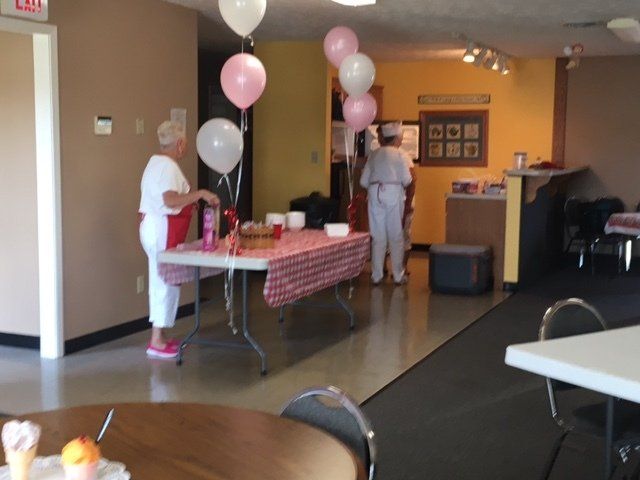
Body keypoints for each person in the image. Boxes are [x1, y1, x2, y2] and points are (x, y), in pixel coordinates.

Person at [139, 121, 219, 358]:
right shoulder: (167, 167)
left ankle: (160, 335)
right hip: (161, 227)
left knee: (162, 278)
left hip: (153, 226)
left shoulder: (155, 163)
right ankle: (156, 341)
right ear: (181, 143)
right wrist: (202, 193)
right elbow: (171, 200)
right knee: (164, 280)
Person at [360, 121, 412, 285]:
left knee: (377, 237)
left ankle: (376, 275)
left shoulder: (374, 154)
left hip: (375, 195)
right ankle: (398, 275)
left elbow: (363, 181)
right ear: (396, 139)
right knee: (396, 236)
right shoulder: (400, 154)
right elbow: (407, 179)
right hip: (393, 194)